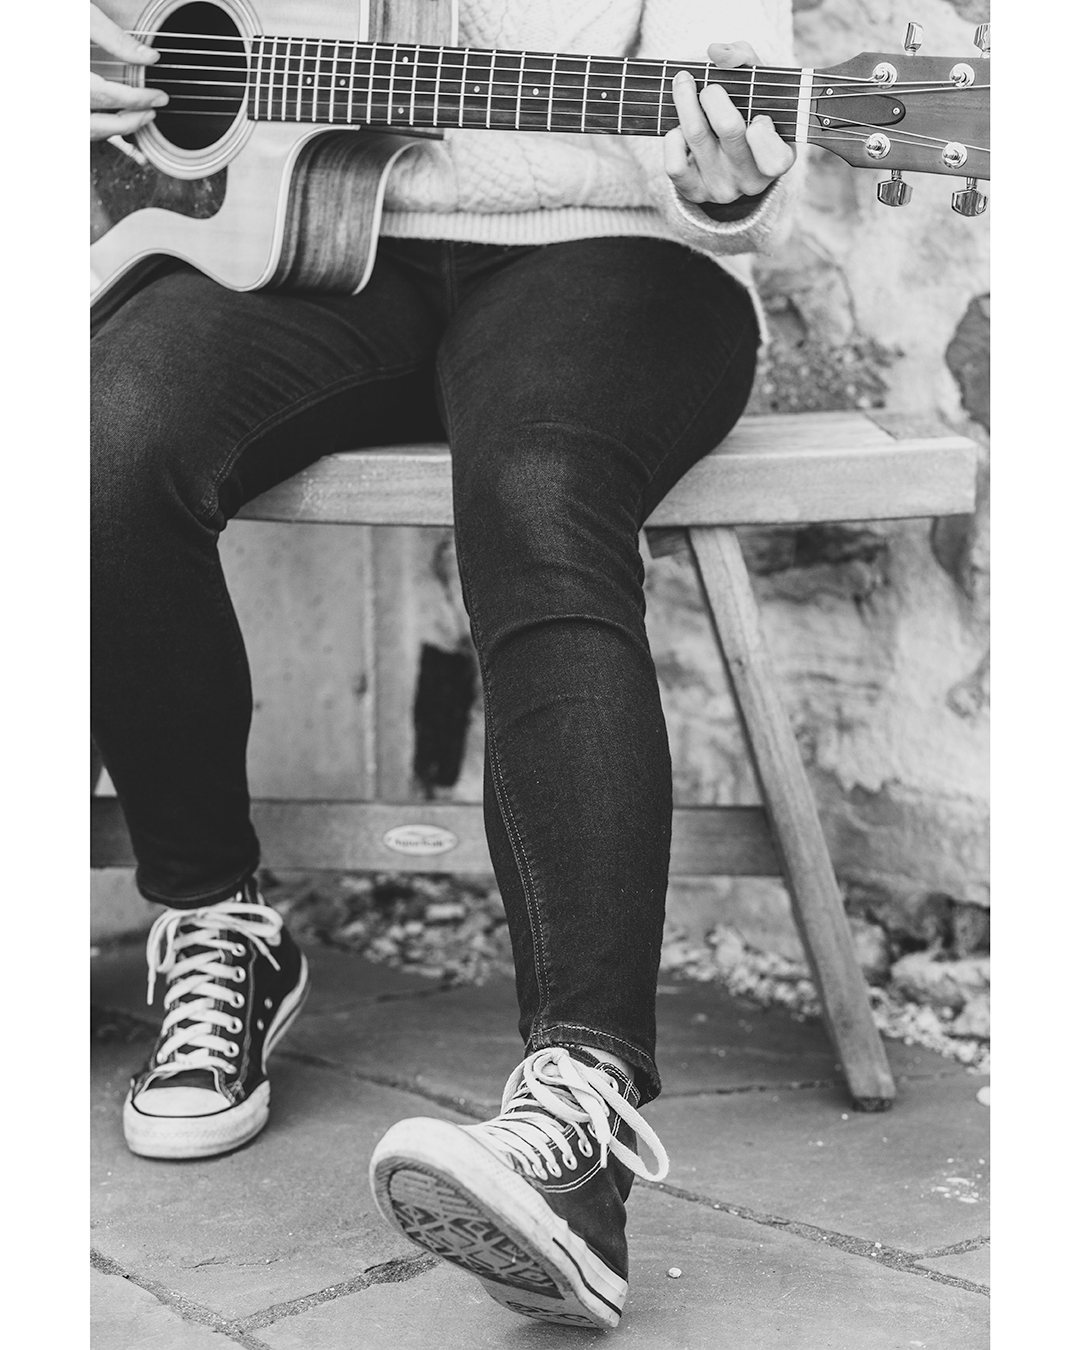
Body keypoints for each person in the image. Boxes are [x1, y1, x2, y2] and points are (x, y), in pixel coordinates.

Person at [91, 0, 797, 1329]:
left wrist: (734, 176)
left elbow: (742, 109)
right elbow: (140, 35)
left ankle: (578, 1123)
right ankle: (217, 921)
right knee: (93, 442)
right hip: (317, 247)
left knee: (537, 492)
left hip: (614, 257)